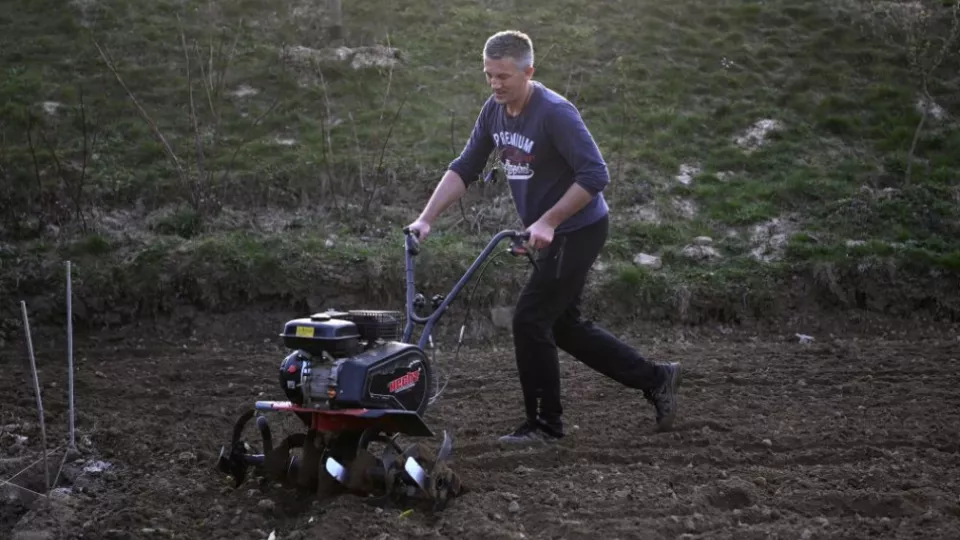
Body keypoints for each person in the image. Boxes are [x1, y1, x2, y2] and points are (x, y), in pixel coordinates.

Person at [405, 30, 681, 444]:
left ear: (528, 71)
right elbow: (465, 167)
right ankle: (657, 378)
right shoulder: (494, 111)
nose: (496, 84)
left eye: (504, 76)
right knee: (564, 327)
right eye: (489, 76)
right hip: (552, 232)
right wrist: (426, 219)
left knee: (530, 319)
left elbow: (595, 175)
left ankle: (545, 426)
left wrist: (548, 221)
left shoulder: (555, 112)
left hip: (578, 228)